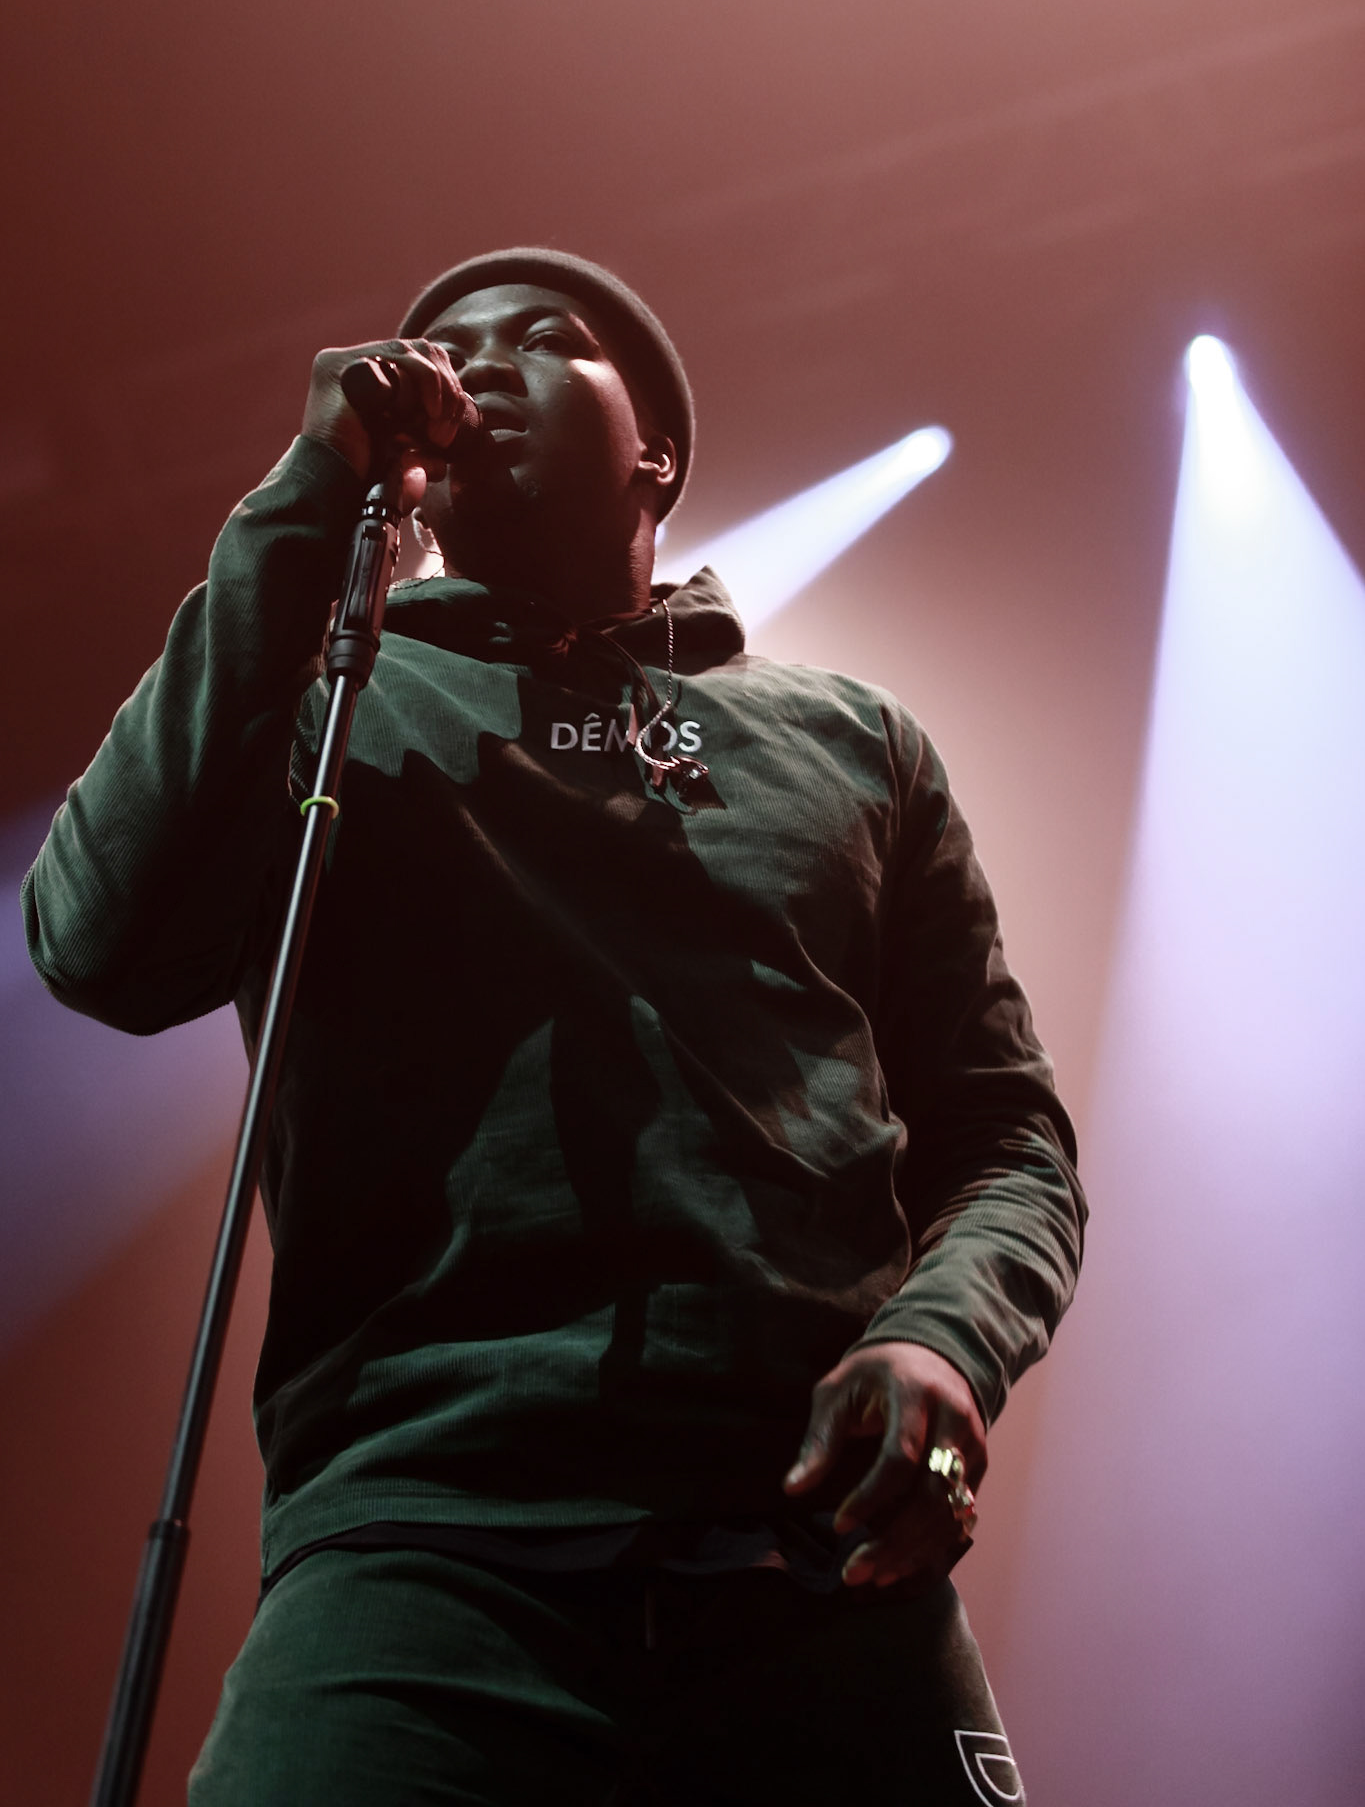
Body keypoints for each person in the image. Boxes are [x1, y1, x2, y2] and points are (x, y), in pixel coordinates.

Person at [23, 249, 1085, 1805]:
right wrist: (304, 500)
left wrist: (942, 1344)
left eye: (544, 340)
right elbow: (94, 943)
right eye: (447, 348)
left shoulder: (852, 742)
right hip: (423, 1554)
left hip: (814, 1574)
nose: (482, 364)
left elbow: (1006, 1140)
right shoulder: (325, 709)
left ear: (652, 444)